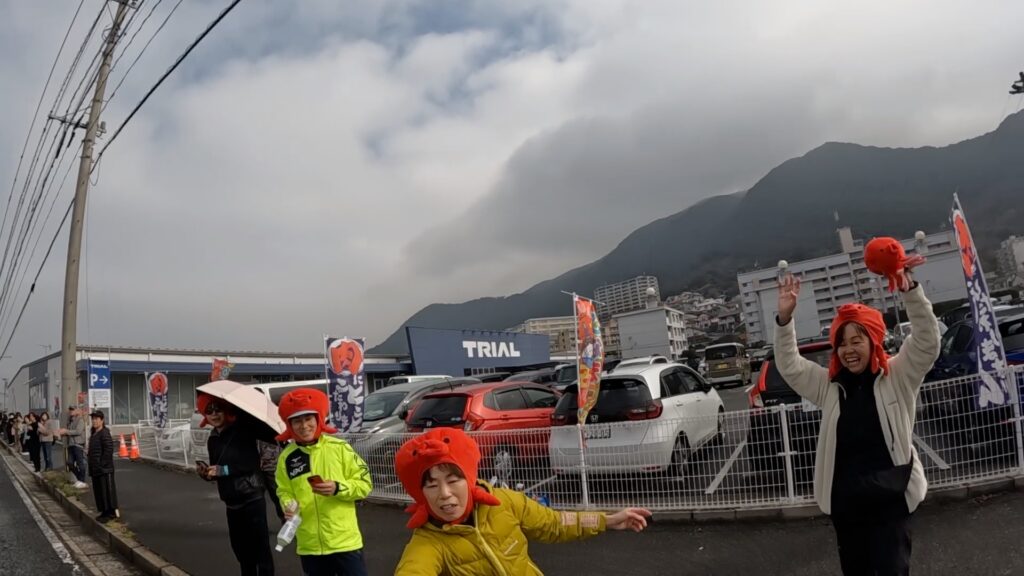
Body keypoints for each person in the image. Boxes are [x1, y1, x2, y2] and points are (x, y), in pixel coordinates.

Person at [774, 252, 939, 576]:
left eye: (856, 340)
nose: (848, 350)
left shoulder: (897, 375)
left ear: (874, 340)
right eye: (841, 343)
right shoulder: (830, 386)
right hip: (847, 505)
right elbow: (790, 366)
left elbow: (926, 342)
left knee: (892, 570)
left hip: (891, 501)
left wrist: (910, 291)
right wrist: (784, 320)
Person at [393, 428, 652, 575]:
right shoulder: (429, 540)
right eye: (432, 485)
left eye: (453, 480)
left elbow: (555, 523)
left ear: (469, 479)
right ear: (421, 493)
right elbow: (413, 569)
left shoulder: (506, 502)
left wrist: (607, 520)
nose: (445, 494)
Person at [275, 388, 372, 576]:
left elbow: (364, 484)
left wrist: (338, 488)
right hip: (309, 544)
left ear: (319, 419)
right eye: (297, 421)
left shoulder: (340, 448)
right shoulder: (286, 457)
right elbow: (284, 490)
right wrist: (289, 505)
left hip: (344, 542)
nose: (304, 426)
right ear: (290, 425)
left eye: (308, 419)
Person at [197, 394, 276, 576]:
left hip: (251, 496)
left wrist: (223, 470)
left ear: (226, 411)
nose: (214, 414)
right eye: (209, 411)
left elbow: (250, 463)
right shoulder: (213, 439)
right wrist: (207, 474)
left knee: (260, 549)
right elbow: (216, 468)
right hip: (231, 501)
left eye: (218, 410)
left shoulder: (242, 430)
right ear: (205, 416)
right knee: (241, 550)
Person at [87, 410, 119, 523]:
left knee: (107, 491)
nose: (94, 421)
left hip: (104, 469)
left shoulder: (104, 433)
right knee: (99, 491)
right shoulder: (94, 433)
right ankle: (103, 512)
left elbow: (108, 449)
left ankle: (110, 513)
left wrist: (101, 464)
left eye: (96, 419)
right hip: (95, 468)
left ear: (102, 420)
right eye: (93, 419)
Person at [58, 406, 89, 489]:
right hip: (71, 445)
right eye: (70, 410)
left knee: (80, 463)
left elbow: (78, 431)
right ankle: (79, 479)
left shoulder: (80, 420)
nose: (71, 411)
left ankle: (82, 481)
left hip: (78, 444)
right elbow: (69, 432)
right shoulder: (70, 420)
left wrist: (66, 431)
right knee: (70, 463)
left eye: (73, 409)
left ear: (77, 411)